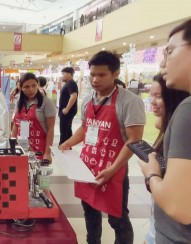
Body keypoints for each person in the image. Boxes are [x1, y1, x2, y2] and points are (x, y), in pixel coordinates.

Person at [59, 51, 145, 244]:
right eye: (92, 74)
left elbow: (134, 140)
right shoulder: (89, 100)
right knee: (89, 210)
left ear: (115, 74)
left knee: (118, 218)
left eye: (102, 75)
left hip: (114, 169)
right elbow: (85, 127)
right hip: (88, 165)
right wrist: (69, 143)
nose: (95, 80)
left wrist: (113, 169)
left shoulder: (130, 102)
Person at [139, 19, 191, 243]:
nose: (164, 62)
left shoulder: (187, 110)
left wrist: (151, 173)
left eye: (170, 51)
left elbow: (178, 207)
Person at [144, 74, 189, 244]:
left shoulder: (185, 115)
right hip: (160, 225)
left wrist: (151, 174)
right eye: (151, 96)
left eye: (159, 96)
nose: (153, 102)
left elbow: (177, 202)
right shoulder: (167, 128)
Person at [11, 73, 56, 162]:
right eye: (26, 87)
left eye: (33, 85)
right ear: (20, 87)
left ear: (38, 85)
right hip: (21, 147)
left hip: (39, 149)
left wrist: (47, 153)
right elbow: (16, 125)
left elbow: (50, 128)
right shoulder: (19, 102)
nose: (31, 89)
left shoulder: (46, 103)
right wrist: (12, 146)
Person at [58, 67, 78, 145]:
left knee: (63, 130)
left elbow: (74, 95)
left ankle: (62, 146)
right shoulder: (68, 83)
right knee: (67, 129)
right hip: (67, 111)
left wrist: (67, 109)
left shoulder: (71, 83)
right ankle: (68, 146)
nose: (62, 76)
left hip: (67, 111)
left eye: (63, 74)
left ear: (69, 74)